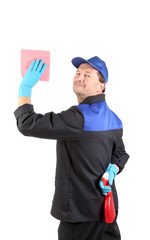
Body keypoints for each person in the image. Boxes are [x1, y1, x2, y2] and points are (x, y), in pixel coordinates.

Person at [14, 56, 129, 240]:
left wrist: (25, 88)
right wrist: (113, 169)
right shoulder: (114, 119)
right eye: (77, 73)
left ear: (101, 86)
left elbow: (27, 124)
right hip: (107, 211)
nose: (79, 77)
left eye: (87, 75)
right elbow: (121, 154)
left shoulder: (78, 118)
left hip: (80, 217)